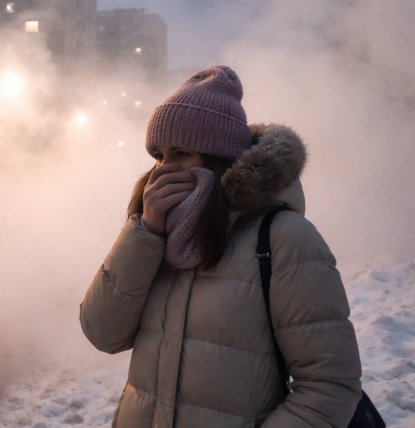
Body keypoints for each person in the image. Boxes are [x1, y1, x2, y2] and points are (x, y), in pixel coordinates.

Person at [79, 66, 362, 428]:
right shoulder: (156, 231)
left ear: (219, 158)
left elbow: (329, 387)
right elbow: (102, 334)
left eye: (180, 153)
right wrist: (145, 231)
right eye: (158, 156)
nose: (163, 170)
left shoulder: (284, 238)